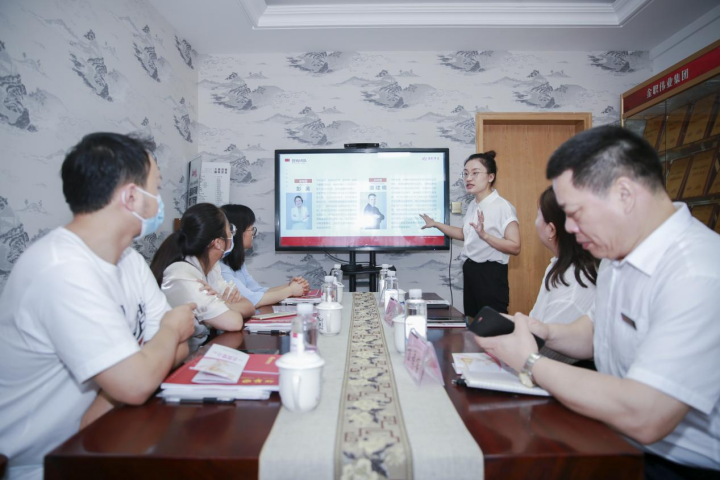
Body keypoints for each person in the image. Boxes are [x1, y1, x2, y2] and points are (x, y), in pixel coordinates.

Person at [474, 126, 720, 478]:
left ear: (624, 194)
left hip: (674, 464)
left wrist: (529, 363)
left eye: (576, 213)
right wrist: (541, 330)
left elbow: (646, 414)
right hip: (614, 437)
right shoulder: (618, 255)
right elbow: (594, 332)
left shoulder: (697, 273)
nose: (570, 228)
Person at [0, 133, 195, 480]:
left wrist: (115, 390)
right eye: (156, 187)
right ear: (132, 197)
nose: (160, 200)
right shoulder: (61, 268)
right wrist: (168, 331)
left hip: (105, 435)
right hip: (44, 466)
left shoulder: (129, 260)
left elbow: (178, 350)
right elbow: (142, 376)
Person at [420, 151, 521, 317]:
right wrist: (436, 224)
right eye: (466, 173)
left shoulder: (502, 207)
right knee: (473, 322)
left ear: (490, 177)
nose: (468, 178)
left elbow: (515, 246)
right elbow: (464, 234)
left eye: (475, 173)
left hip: (490, 274)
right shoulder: (474, 204)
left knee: (493, 324)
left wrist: (485, 236)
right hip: (471, 270)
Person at [150, 203, 255, 351]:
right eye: (230, 231)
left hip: (203, 349)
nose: (232, 236)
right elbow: (234, 321)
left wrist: (223, 303)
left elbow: (249, 306)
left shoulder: (212, 268)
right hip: (180, 358)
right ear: (218, 243)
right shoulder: (181, 274)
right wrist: (223, 304)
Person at [530, 186, 599, 326]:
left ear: (551, 229)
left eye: (538, 215)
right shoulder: (558, 265)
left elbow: (545, 337)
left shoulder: (571, 291)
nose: (535, 222)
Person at [220, 204, 309, 307]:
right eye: (251, 229)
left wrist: (289, 285)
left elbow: (257, 290)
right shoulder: (220, 267)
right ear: (237, 232)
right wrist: (291, 290)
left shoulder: (236, 262)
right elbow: (253, 300)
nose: (254, 234)